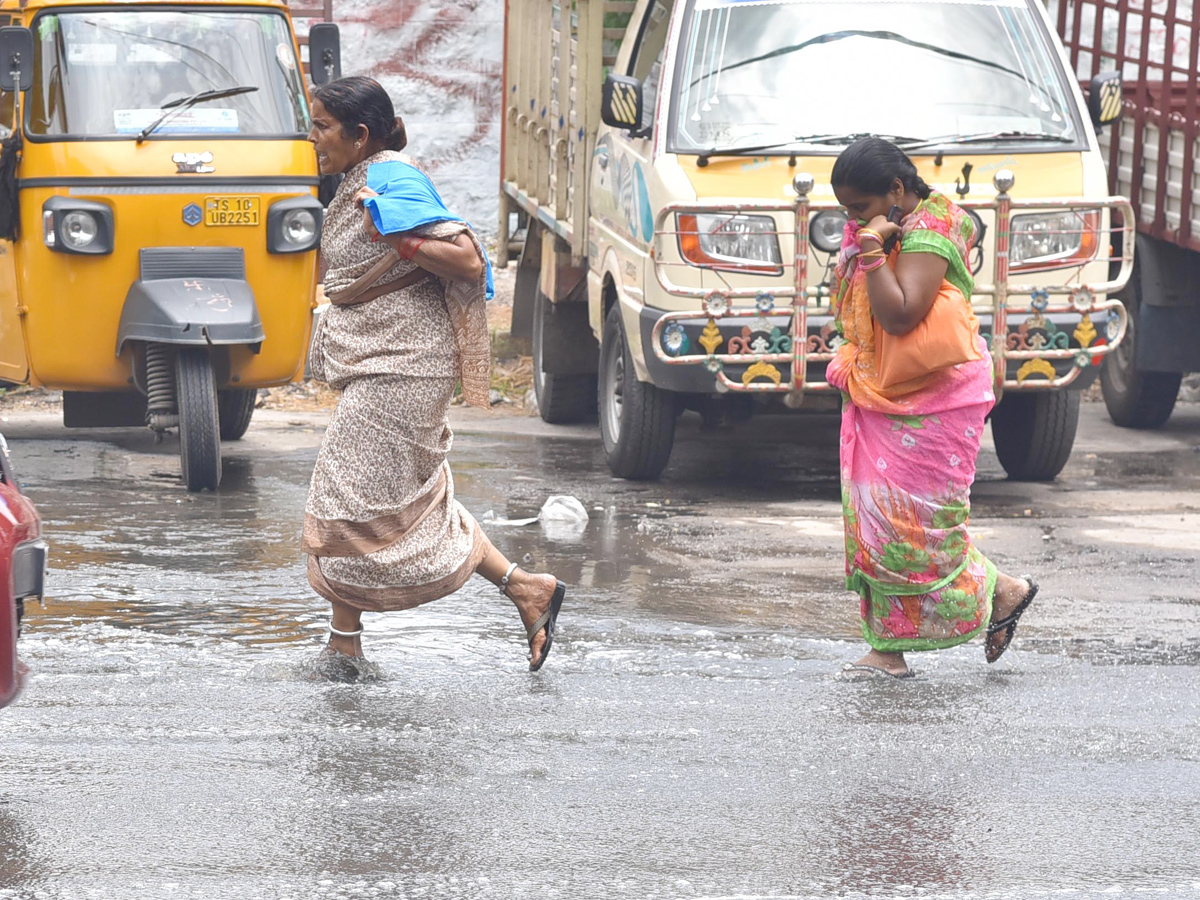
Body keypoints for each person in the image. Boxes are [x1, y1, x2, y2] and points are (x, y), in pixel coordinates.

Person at [303, 76, 565, 675]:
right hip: (385, 364)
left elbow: (469, 258)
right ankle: (526, 588)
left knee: (343, 499)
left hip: (402, 368)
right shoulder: (360, 181)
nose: (312, 138)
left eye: (321, 126)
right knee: (404, 501)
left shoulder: (392, 177)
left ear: (359, 134)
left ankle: (345, 645)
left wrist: (403, 242)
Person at [827, 137, 1038, 678]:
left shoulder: (932, 229)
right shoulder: (892, 220)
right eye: (847, 210)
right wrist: (869, 236)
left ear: (897, 189)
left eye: (859, 208)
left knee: (914, 526)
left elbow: (900, 315)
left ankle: (998, 593)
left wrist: (872, 248)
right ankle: (888, 648)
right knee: (874, 519)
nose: (852, 220)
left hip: (934, 399)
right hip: (885, 389)